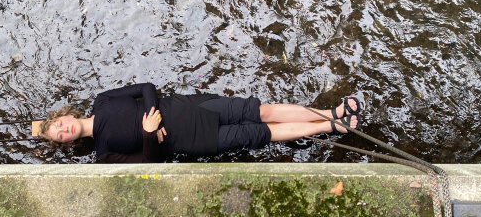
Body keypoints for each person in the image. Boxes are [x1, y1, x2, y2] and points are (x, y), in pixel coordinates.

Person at [40, 83, 361, 163]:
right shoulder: (104, 154)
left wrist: (153, 113)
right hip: (192, 142)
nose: (64, 129)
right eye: (60, 135)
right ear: (67, 142)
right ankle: (331, 127)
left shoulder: (102, 101)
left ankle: (330, 113)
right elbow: (149, 160)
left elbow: (146, 89)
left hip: (189, 108)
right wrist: (150, 132)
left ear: (65, 115)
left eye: (59, 124)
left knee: (261, 110)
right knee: (263, 132)